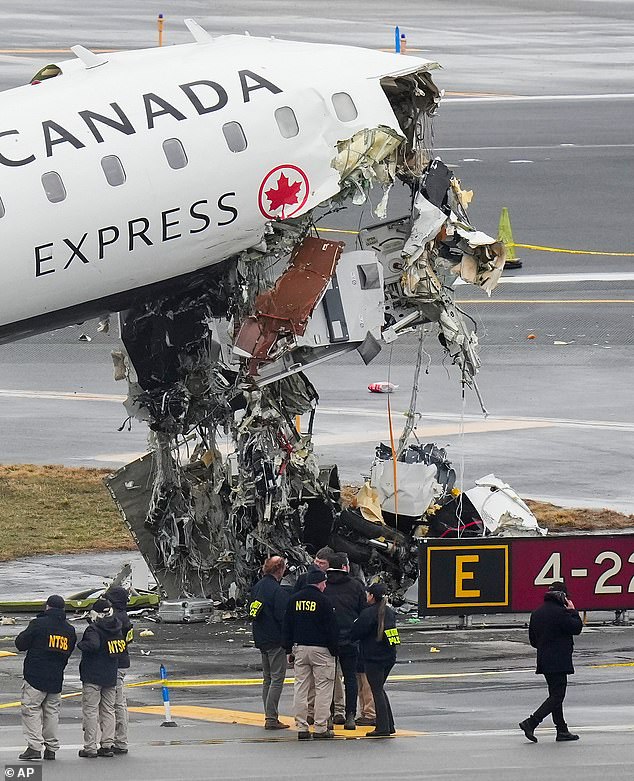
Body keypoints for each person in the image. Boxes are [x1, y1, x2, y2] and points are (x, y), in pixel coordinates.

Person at [14, 594, 77, 761]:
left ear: (47, 607)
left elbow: (20, 643)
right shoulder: (69, 630)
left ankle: (34, 747)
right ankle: (51, 748)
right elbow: (68, 651)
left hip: (35, 675)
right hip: (56, 676)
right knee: (52, 712)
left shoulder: (38, 624)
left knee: (31, 709)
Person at [519, 581, 583, 743]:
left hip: (544, 660)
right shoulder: (562, 613)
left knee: (555, 695)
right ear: (562, 596)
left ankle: (562, 730)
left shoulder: (537, 613)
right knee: (557, 696)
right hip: (559, 660)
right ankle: (531, 722)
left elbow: (533, 641)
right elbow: (576, 628)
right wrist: (573, 611)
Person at [283, 569, 338, 740]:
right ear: (321, 583)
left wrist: (287, 650)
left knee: (300, 688)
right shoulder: (324, 601)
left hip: (300, 648)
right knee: (323, 689)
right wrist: (335, 650)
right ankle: (321, 727)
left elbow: (287, 626)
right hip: (321, 650)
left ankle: (301, 727)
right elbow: (331, 629)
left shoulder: (294, 600)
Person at [77, 597, 125, 758]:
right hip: (110, 674)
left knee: (90, 711)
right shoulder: (117, 627)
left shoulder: (94, 629)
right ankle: (107, 744)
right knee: (108, 710)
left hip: (93, 675)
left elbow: (93, 645)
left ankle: (90, 746)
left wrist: (81, 644)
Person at [350, 582, 399, 737]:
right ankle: (389, 724)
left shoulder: (368, 613)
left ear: (371, 596)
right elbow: (393, 639)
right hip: (388, 657)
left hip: (372, 657)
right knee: (380, 689)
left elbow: (356, 633)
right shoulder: (389, 612)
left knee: (376, 690)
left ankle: (383, 727)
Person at [324, 552, 366, 730]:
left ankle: (331, 715)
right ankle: (350, 715)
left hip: (328, 641)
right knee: (350, 678)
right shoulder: (356, 586)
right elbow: (363, 612)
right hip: (350, 639)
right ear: (345, 567)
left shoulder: (324, 586)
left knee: (329, 680)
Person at [249, 555, 291, 730]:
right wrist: (288, 643)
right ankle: (271, 718)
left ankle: (268, 714)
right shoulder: (277, 591)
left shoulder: (257, 587)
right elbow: (283, 618)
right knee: (277, 679)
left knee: (267, 679)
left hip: (261, 638)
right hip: (275, 640)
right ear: (280, 570)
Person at [104, 586, 134, 754]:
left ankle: (120, 740)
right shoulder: (125, 618)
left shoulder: (116, 619)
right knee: (118, 703)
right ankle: (119, 739)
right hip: (122, 662)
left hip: (115, 664)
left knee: (116, 704)